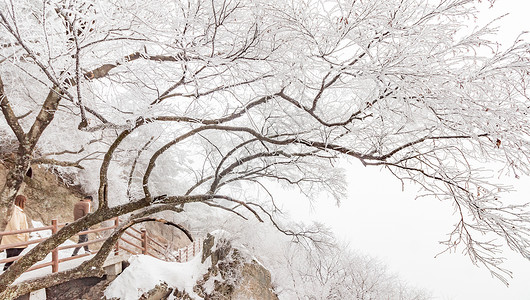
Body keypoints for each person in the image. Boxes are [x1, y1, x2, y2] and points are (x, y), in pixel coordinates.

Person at [1, 195, 30, 271]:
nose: (25, 203)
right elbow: (14, 222)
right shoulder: (15, 210)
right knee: (12, 254)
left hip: (17, 236)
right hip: (14, 236)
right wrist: (17, 232)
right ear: (21, 202)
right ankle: (6, 269)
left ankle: (8, 269)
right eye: (24, 202)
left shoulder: (19, 210)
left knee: (14, 254)